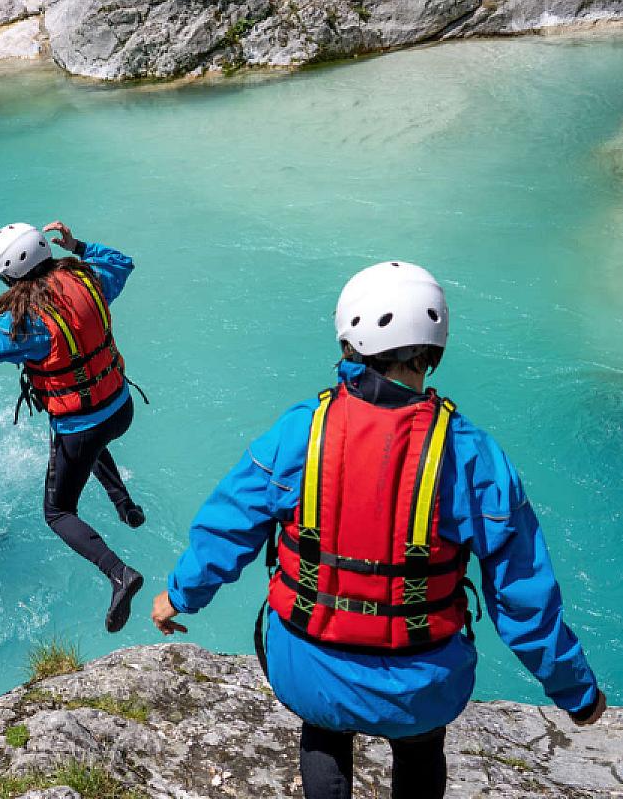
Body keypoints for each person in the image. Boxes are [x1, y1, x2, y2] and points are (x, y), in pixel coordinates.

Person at [151, 261, 607, 798]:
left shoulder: (302, 430)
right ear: (433, 349)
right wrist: (577, 694)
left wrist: (178, 597)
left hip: (309, 666)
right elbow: (524, 599)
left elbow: (227, 528)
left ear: (350, 339)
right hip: (422, 687)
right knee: (420, 745)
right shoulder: (472, 455)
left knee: (322, 729)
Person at [0, 220, 147, 632]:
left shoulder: (23, 323)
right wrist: (79, 244)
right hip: (120, 407)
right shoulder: (90, 282)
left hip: (82, 425)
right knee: (89, 439)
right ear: (46, 252)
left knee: (58, 511)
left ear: (7, 276)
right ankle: (127, 507)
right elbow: (123, 262)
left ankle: (119, 573)